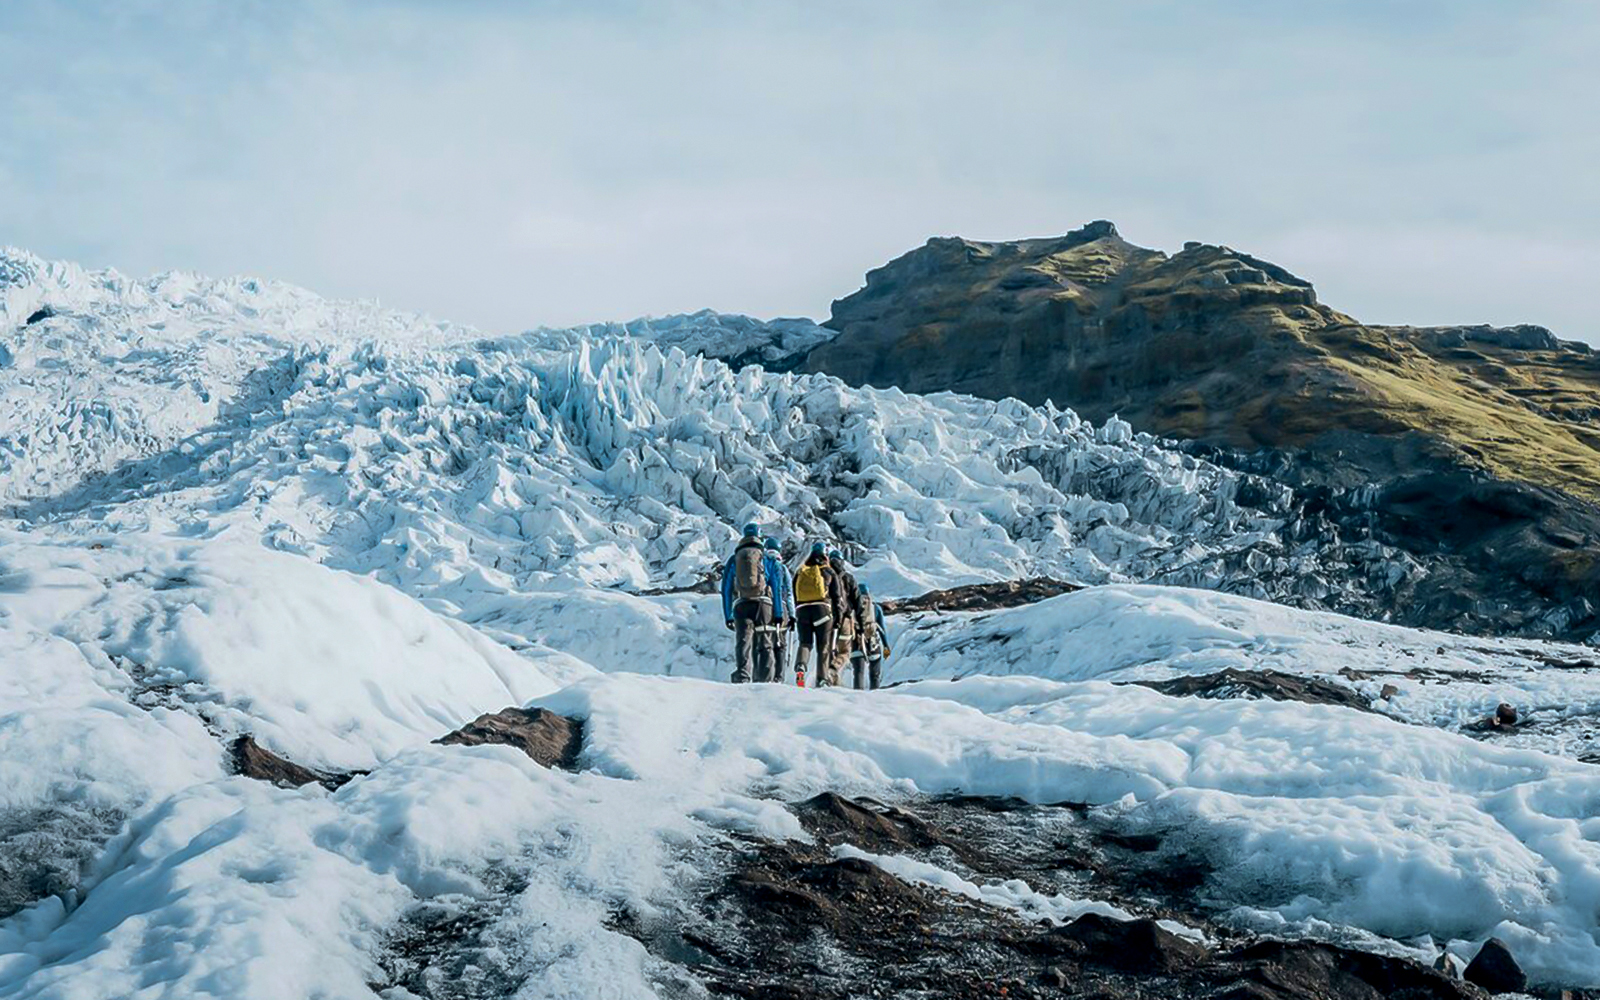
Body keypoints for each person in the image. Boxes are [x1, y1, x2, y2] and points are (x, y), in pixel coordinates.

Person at [720, 523, 783, 684]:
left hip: (741, 605)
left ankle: (742, 674)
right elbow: (776, 588)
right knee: (765, 643)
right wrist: (778, 614)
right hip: (763, 606)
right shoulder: (768, 559)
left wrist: (728, 615)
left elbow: (726, 589)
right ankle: (765, 680)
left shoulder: (734, 559)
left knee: (743, 641)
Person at [791, 542, 838, 687]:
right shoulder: (829, 571)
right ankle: (822, 678)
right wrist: (838, 618)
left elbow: (793, 594)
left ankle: (800, 666)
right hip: (822, 611)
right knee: (823, 647)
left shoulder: (801, 571)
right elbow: (837, 597)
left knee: (805, 643)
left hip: (802, 611)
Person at [827, 548, 864, 689]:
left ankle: (830, 680)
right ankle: (834, 670)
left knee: (829, 649)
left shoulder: (825, 575)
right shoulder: (848, 578)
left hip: (827, 618)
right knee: (844, 652)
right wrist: (860, 625)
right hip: (845, 620)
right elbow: (857, 602)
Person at [763, 537, 794, 683]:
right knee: (780, 643)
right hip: (780, 607)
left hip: (764, 608)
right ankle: (779, 677)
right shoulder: (782, 567)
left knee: (765, 641)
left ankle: (764, 675)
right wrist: (792, 615)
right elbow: (788, 593)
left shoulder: (762, 564)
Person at [851, 582, 891, 690]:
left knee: (858, 673)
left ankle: (856, 699)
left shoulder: (851, 607)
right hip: (873, 644)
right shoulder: (875, 608)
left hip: (856, 643)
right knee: (875, 676)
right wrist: (886, 647)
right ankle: (875, 699)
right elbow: (882, 629)